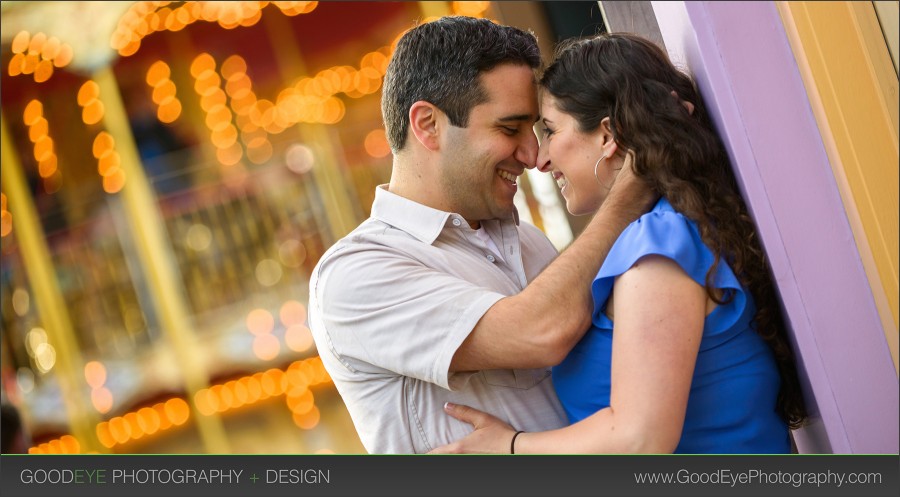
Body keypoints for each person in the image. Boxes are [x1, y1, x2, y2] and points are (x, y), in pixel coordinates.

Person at [431, 33, 807, 454]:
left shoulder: (657, 246)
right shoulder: (673, 230)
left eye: (551, 130)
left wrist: (509, 449)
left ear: (608, 136)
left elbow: (640, 437)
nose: (541, 158)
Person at [308, 17, 654, 453]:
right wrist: (629, 192)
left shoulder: (530, 242)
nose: (532, 155)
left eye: (537, 130)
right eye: (510, 129)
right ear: (428, 125)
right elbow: (540, 331)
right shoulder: (354, 274)